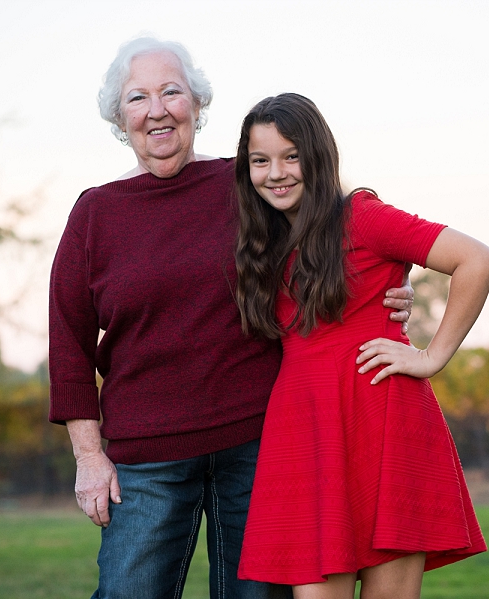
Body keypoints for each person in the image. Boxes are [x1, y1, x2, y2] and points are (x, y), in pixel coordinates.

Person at [48, 38, 414, 599]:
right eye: (138, 97)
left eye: (172, 92)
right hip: (146, 460)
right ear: (119, 117)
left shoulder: (245, 185)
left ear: (196, 104)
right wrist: (89, 457)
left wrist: (389, 284)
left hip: (259, 445)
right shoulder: (96, 213)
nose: (157, 109)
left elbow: (331, 231)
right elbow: (69, 342)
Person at [233, 93, 489, 599]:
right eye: (260, 160)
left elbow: (478, 260)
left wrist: (431, 355)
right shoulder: (264, 243)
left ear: (318, 155)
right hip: (305, 430)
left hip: (383, 422)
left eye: (291, 156)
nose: (277, 173)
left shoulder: (362, 217)